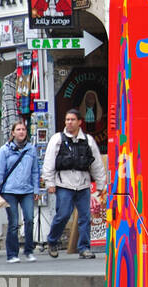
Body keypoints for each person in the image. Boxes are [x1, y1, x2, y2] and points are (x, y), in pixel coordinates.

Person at [42, 108, 108, 258]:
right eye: (67, 120)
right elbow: (49, 162)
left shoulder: (88, 140)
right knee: (63, 215)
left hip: (83, 184)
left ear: (80, 122)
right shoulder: (57, 139)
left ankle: (84, 248)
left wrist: (100, 184)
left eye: (72, 120)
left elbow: (96, 163)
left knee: (85, 217)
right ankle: (52, 240)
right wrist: (49, 182)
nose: (69, 122)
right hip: (64, 184)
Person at [0, 120, 39, 263]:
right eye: (18, 129)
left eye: (23, 129)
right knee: (13, 222)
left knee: (30, 219)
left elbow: (35, 171)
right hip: (9, 191)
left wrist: (36, 188)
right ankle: (12, 254)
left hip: (27, 190)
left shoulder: (31, 149)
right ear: (12, 133)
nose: (21, 132)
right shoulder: (4, 150)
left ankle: (29, 250)